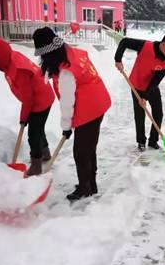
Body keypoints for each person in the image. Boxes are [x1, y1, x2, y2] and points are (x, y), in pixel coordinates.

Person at [33, 27, 111, 201]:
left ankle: (85, 187)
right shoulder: (70, 53)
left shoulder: (66, 71)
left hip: (90, 108)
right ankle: (90, 184)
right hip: (97, 101)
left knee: (81, 152)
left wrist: (66, 126)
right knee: (88, 148)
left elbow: (67, 102)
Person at [0, 37, 55, 177]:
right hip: (40, 96)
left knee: (33, 134)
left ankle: (36, 165)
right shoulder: (11, 59)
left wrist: (23, 119)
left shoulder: (18, 69)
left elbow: (28, 98)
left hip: (40, 100)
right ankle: (45, 153)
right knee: (38, 128)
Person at [114, 32, 165, 151]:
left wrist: (145, 96)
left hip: (151, 87)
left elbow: (156, 80)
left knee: (158, 113)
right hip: (137, 85)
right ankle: (141, 141)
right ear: (163, 44)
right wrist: (118, 60)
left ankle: (153, 141)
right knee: (140, 115)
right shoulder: (145, 46)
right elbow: (124, 42)